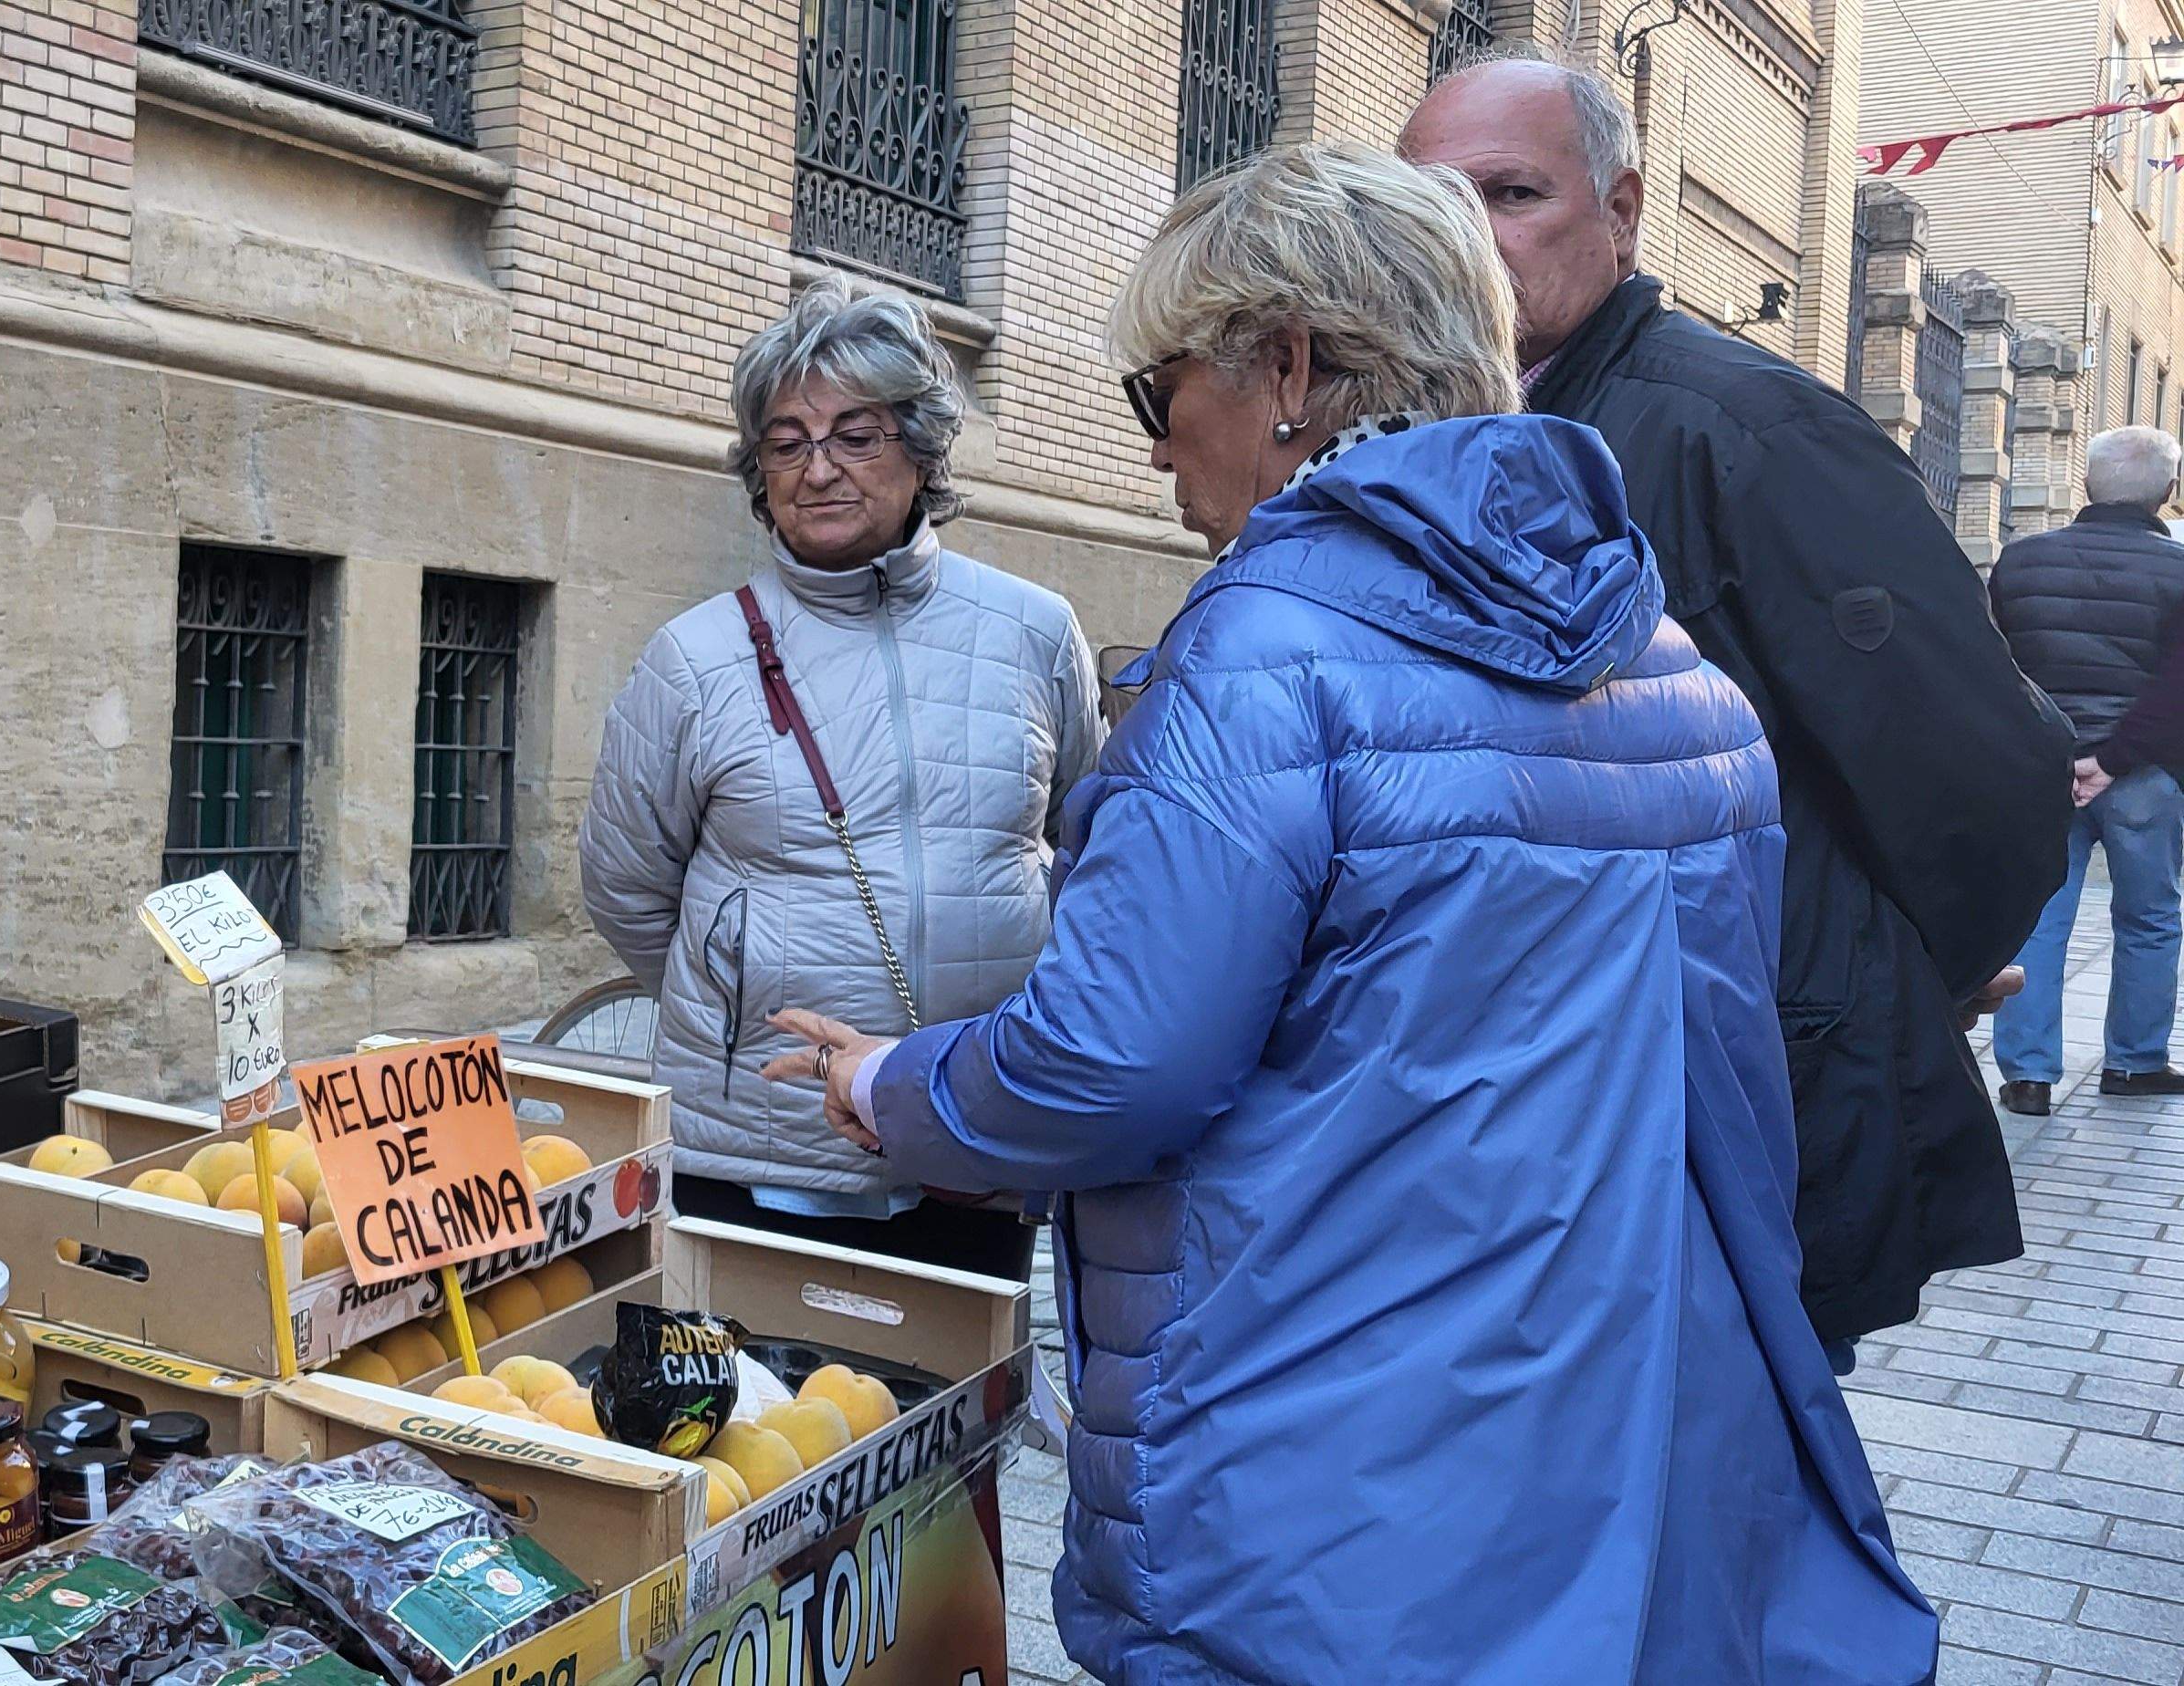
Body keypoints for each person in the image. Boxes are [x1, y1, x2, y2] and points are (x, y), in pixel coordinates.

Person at [767, 141, 1930, 1684]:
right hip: (1632, 1456)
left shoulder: (1269, 653)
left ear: (1290, 368)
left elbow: (1115, 1061)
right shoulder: (1667, 659)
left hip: (1334, 1479)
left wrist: (888, 1085)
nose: (1160, 447)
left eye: (1157, 388)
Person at [1403, 47, 2071, 1352]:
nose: (1472, 241)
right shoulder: (1441, 436)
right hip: (1541, 1116)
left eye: (1513, 194)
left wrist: (1874, 990)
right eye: (1435, 204)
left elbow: (1982, 771)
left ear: (1625, 209)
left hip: (1743, 1104)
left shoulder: (1743, 430)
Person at [578, 274, 1101, 1282]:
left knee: (952, 1407)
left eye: (855, 435)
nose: (817, 469)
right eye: (786, 442)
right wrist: (737, 1001)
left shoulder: (1034, 631)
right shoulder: (695, 657)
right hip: (763, 1139)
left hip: (972, 1125)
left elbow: (1084, 852)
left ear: (920, 449)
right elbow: (627, 886)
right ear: (757, 470)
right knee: (762, 1416)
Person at [1988, 427, 2184, 1113]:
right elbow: (2177, 688)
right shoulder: (2180, 570)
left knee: (2037, 919)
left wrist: (2062, 753)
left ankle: (2029, 1076)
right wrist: (2110, 760)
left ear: (2087, 485)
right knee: (2150, 918)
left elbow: (1996, 671)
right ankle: (2133, 1064)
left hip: (2043, 772)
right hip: (2145, 778)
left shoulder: (2021, 561)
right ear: (2167, 491)